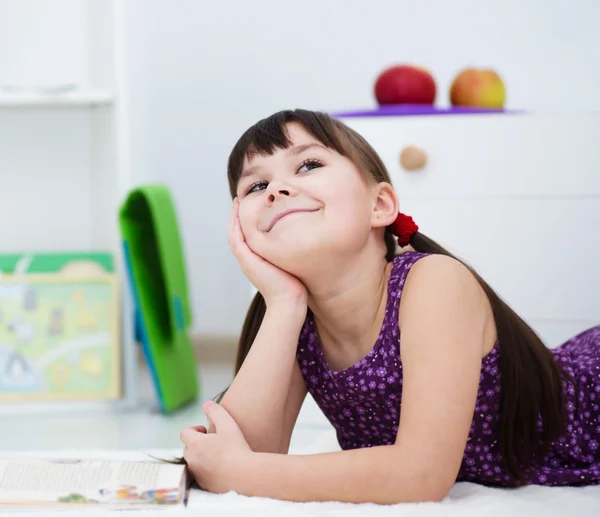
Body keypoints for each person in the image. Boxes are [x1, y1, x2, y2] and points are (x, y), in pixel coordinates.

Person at [179, 109, 600, 504]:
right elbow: (235, 453)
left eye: (308, 165)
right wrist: (283, 302)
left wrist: (244, 471)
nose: (277, 190)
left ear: (379, 205)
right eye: (255, 186)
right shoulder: (295, 320)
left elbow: (421, 475)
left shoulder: (434, 281)